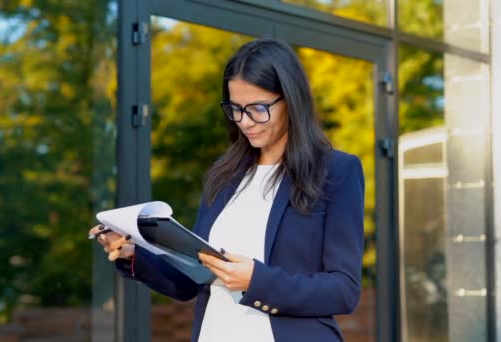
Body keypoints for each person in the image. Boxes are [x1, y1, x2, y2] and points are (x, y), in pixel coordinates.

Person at [89, 38, 365, 342]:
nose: (245, 122)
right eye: (235, 108)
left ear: (291, 100)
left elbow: (343, 290)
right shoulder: (225, 173)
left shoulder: (337, 171)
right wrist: (132, 254)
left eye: (258, 108)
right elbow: (190, 283)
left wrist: (256, 281)